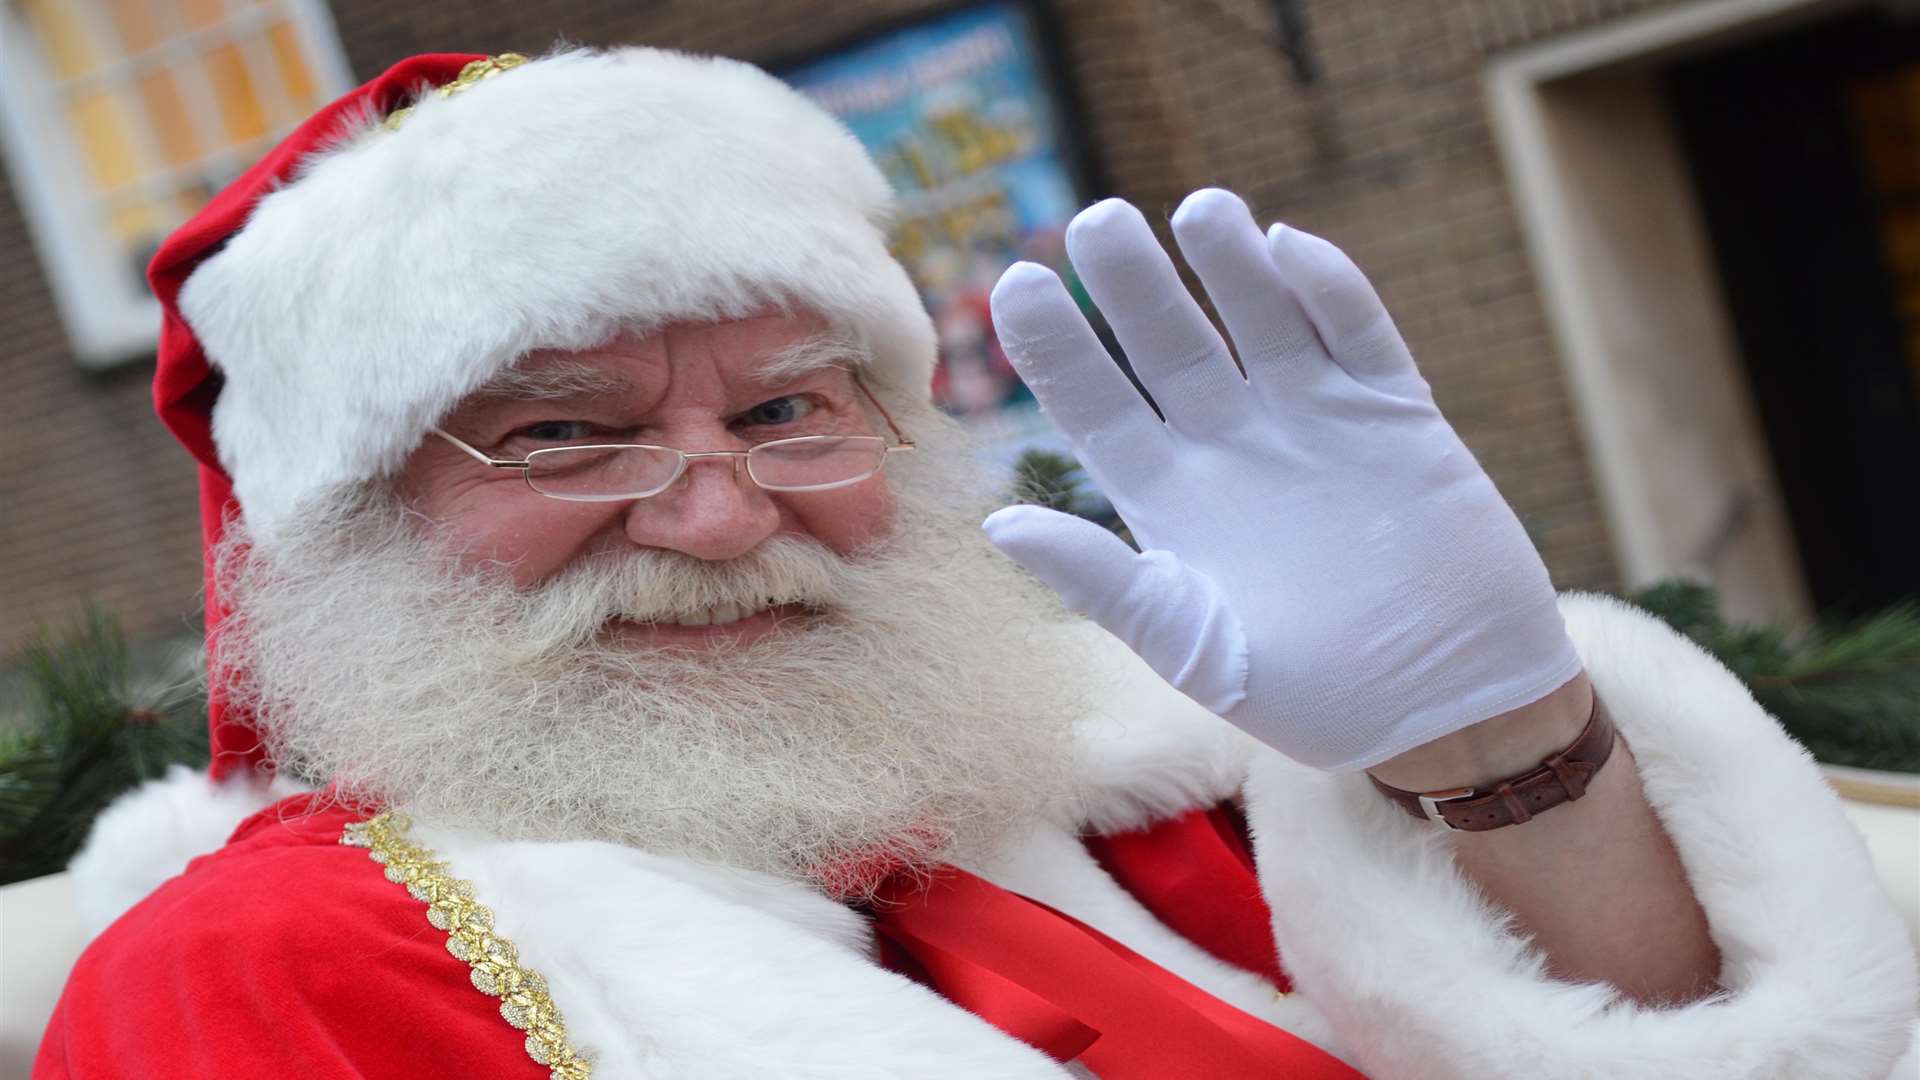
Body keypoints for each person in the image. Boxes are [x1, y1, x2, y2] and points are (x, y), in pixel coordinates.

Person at [34, 47, 1917, 1079]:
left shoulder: (1110, 768)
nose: (714, 515)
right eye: (560, 434)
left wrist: (1504, 744)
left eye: (788, 412)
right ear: (343, 529)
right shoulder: (258, 985)